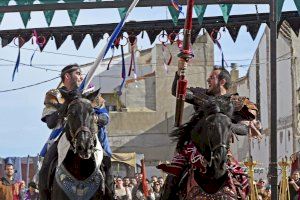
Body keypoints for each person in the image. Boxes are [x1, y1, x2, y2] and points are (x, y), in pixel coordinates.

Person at [158, 66, 262, 198]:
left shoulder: (236, 102)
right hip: (194, 147)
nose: (208, 80)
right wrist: (180, 71)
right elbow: (178, 91)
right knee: (174, 175)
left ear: (222, 81)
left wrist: (225, 125)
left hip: (221, 147)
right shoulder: (201, 95)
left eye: (212, 77)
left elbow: (244, 128)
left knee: (242, 180)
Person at [39, 64, 113, 196]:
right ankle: (44, 196)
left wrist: (93, 117)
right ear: (67, 76)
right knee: (46, 165)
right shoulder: (55, 94)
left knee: (107, 163)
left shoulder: (92, 93)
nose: (81, 77)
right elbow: (50, 123)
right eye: (78, 73)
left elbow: (105, 117)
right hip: (64, 138)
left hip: (91, 136)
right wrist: (66, 105)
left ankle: (110, 195)